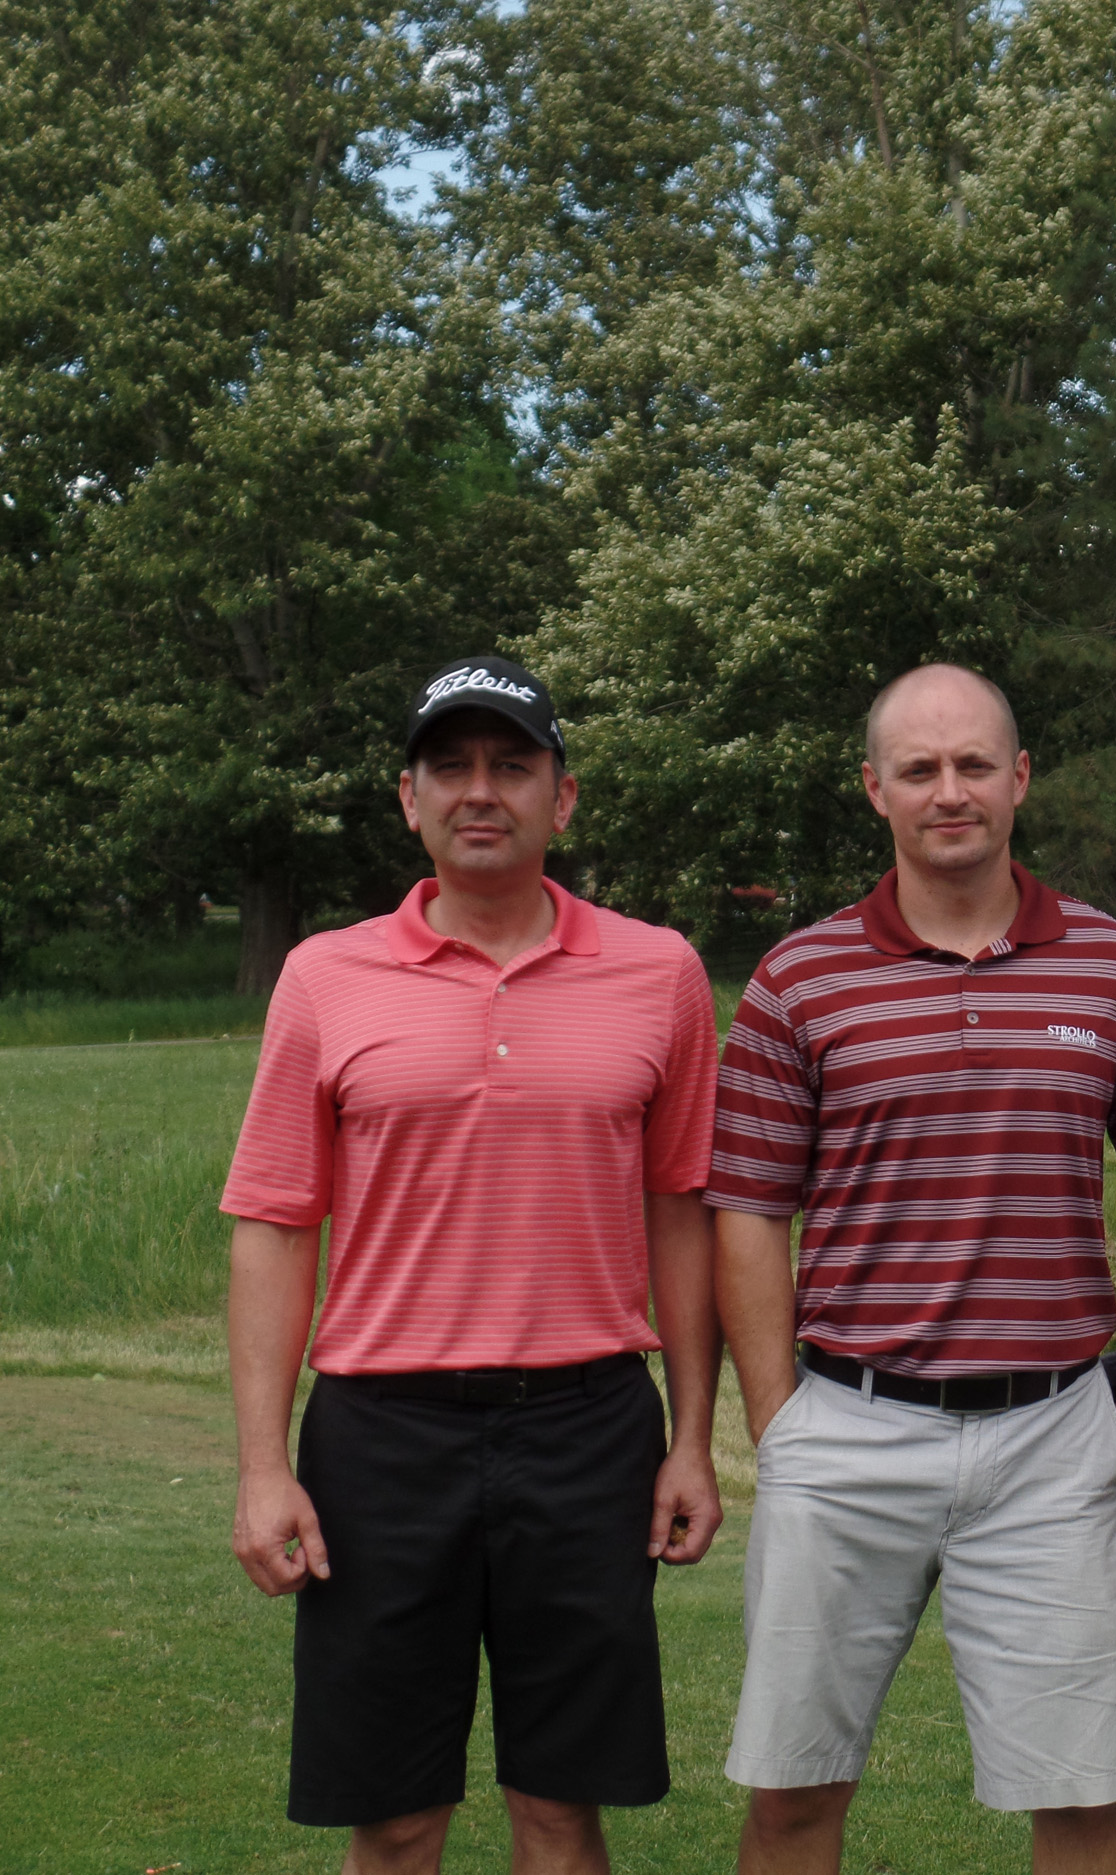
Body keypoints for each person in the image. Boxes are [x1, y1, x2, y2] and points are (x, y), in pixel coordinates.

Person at [222, 655, 725, 1875]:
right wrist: (262, 1467)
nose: (480, 791)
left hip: (588, 1431)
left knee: (561, 1808)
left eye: (512, 765)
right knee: (395, 1820)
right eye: (449, 768)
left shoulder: (659, 971)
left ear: (564, 797)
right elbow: (277, 1223)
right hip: (381, 1439)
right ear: (411, 800)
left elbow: (683, 1213)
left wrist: (696, 1439)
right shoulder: (323, 976)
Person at [708, 662, 1116, 1875]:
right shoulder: (799, 978)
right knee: (792, 1792)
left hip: (1049, 1437)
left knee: (1080, 1801)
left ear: (1018, 779)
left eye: (975, 764)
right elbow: (748, 1207)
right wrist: (777, 1416)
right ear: (874, 788)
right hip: (848, 1424)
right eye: (920, 769)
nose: (950, 791)